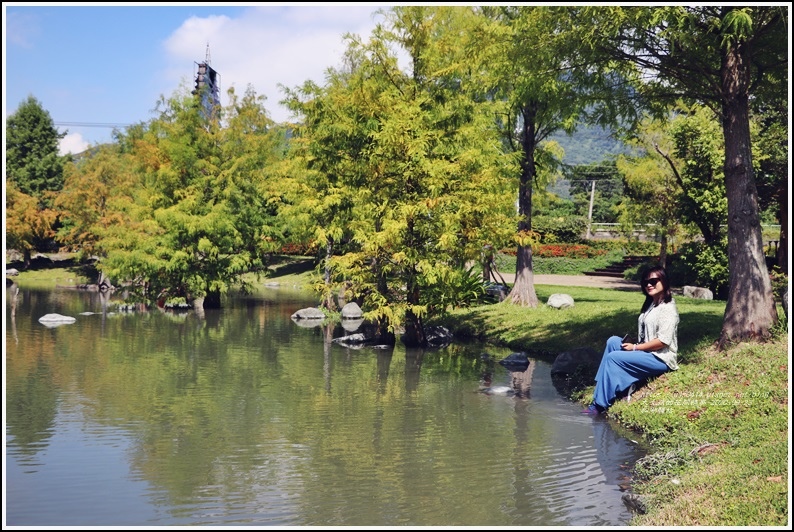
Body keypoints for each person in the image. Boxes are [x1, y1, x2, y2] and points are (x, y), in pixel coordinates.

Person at [583, 264, 679, 414]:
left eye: (653, 281)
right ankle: (602, 386)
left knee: (614, 357)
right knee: (613, 341)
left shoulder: (668, 309)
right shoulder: (652, 304)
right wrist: (636, 342)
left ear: (664, 281)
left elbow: (663, 342)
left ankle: (599, 406)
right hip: (647, 352)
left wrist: (635, 348)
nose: (649, 285)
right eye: (645, 282)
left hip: (661, 358)